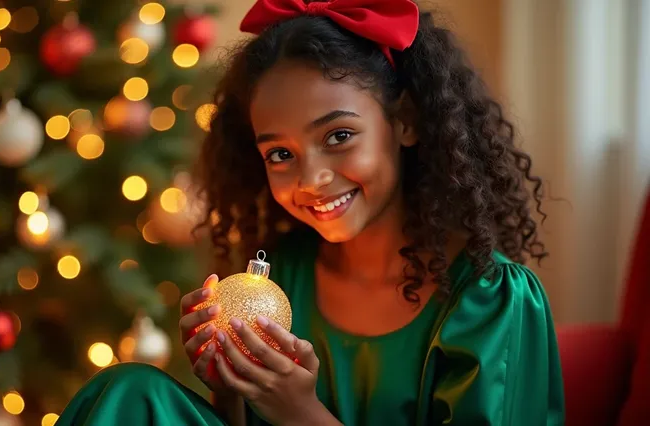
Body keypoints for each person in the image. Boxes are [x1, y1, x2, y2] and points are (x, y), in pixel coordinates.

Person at [55, 0, 565, 425]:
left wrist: (303, 414)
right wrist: (230, 387)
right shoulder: (283, 278)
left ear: (405, 122)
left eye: (339, 136)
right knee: (132, 392)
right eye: (280, 154)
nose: (310, 179)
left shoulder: (491, 299)